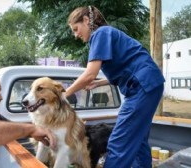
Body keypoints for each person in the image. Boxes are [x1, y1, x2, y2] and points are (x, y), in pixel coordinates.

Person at [66, 6, 165, 168]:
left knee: (118, 142)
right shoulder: (108, 34)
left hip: (141, 87)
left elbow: (90, 73)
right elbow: (126, 69)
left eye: (76, 29)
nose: (76, 35)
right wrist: (99, 83)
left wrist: (64, 94)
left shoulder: (100, 34)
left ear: (86, 20)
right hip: (148, 83)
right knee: (138, 140)